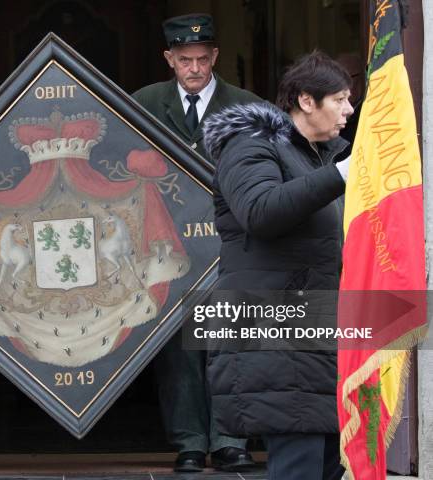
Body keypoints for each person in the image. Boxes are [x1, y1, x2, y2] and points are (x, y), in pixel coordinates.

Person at [202, 51, 353, 479]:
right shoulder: (249, 146)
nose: (349, 110)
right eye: (340, 99)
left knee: (326, 466)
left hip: (314, 334)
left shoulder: (316, 157)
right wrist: (340, 175)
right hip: (273, 333)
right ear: (307, 101)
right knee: (298, 467)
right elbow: (261, 211)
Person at [133, 13, 259, 473]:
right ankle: (188, 440)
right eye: (184, 60)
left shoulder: (247, 106)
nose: (194, 69)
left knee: (230, 342)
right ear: (169, 58)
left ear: (216, 57)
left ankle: (230, 438)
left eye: (203, 59)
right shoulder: (142, 104)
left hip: (230, 244)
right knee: (177, 349)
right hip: (167, 246)